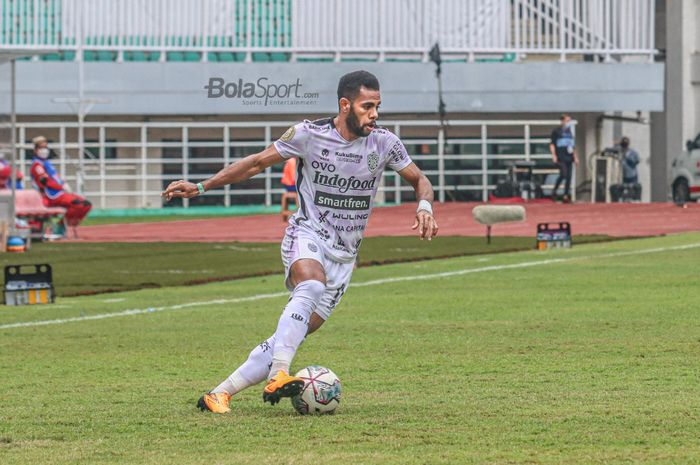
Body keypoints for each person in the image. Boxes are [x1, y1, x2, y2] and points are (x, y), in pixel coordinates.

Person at [162, 70, 439, 414]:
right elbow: (256, 163)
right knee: (309, 286)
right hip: (307, 234)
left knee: (290, 337)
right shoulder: (309, 134)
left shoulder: (384, 143)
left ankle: (218, 394)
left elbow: (419, 179)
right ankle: (279, 374)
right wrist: (202, 186)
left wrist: (425, 205)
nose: (375, 114)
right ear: (345, 104)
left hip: (345, 257)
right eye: (368, 106)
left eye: (378, 106)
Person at [29, 136, 92, 227]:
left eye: (45, 147)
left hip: (59, 193)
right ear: (35, 150)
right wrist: (61, 187)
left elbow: (55, 178)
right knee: (77, 204)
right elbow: (45, 181)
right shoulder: (37, 165)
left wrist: (63, 183)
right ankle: (60, 227)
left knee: (86, 205)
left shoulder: (47, 163)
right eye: (41, 148)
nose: (44, 150)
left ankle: (68, 224)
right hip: (50, 195)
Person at [549, 114, 579, 202]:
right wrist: (554, 155)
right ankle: (554, 190)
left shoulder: (569, 132)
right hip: (560, 156)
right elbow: (552, 144)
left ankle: (565, 195)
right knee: (564, 174)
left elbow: (572, 146)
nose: (568, 123)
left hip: (569, 156)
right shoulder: (556, 131)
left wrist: (575, 157)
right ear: (562, 121)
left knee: (569, 176)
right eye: (567, 121)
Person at [280, 157, 297, 222]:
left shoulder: (290, 161)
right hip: (290, 184)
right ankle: (301, 213)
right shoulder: (292, 161)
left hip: (287, 184)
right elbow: (293, 178)